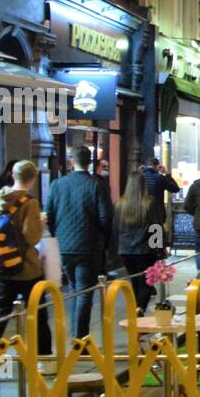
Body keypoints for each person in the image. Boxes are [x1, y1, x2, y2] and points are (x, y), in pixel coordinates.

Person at [45, 144, 113, 338]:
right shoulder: (96, 185)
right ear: (90, 162)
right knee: (84, 291)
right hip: (88, 245)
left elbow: (49, 214)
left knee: (74, 289)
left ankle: (76, 333)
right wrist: (104, 241)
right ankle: (79, 337)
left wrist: (58, 235)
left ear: (71, 162)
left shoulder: (57, 185)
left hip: (65, 245)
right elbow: (105, 217)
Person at [0, 159, 52, 354]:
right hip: (26, 268)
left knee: (0, 312)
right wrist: (40, 222)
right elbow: (31, 237)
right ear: (32, 179)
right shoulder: (29, 203)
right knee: (38, 311)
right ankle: (44, 355)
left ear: (13, 176)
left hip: (2, 264)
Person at [115, 169, 164, 313]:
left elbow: (116, 227)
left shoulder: (120, 205)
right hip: (145, 250)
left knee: (135, 281)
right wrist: (159, 249)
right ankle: (140, 308)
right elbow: (156, 226)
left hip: (125, 250)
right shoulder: (149, 203)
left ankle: (136, 308)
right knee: (148, 282)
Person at [141, 157, 180, 231]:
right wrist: (167, 174)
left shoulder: (140, 177)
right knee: (156, 240)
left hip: (142, 213)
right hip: (157, 214)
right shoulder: (160, 178)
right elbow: (175, 188)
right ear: (157, 167)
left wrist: (138, 172)